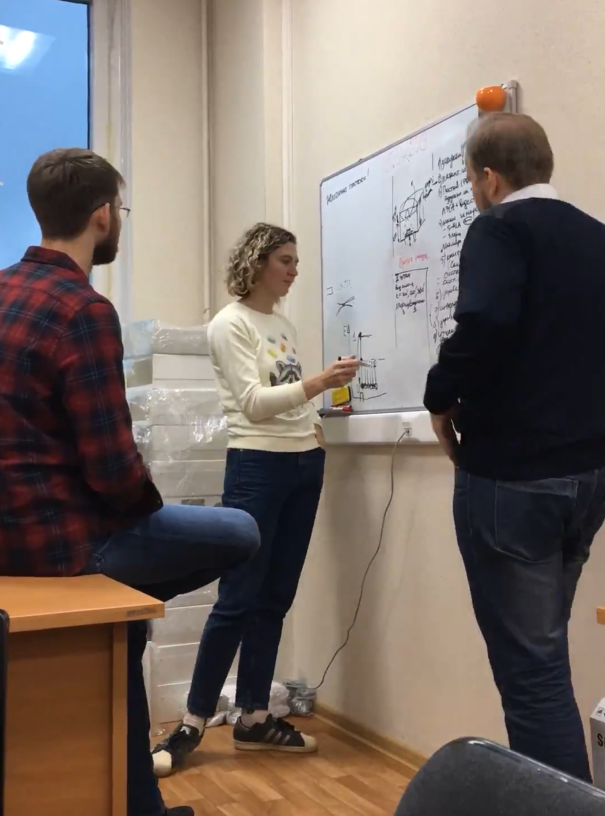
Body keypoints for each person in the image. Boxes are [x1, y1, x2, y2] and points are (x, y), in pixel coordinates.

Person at [0, 147, 260, 816]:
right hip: (67, 548)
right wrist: (145, 504)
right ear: (101, 216)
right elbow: (114, 471)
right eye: (119, 209)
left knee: (131, 633)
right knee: (240, 530)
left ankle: (141, 805)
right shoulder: (83, 310)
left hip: (8, 546)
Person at [424, 112, 605, 782]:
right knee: (545, 659)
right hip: (588, 478)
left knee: (532, 678)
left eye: (474, 182)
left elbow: (485, 324)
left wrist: (439, 395)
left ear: (489, 178)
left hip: (514, 481)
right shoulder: (597, 236)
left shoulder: (498, 227)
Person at [152, 223, 359, 775]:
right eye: (285, 260)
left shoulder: (282, 325)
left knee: (276, 598)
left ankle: (253, 718)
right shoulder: (230, 323)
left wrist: (314, 429)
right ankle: (193, 721)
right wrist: (320, 384)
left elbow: (288, 398)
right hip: (258, 466)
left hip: (303, 464)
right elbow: (252, 403)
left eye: (296, 260)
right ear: (258, 262)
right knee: (238, 597)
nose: (294, 270)